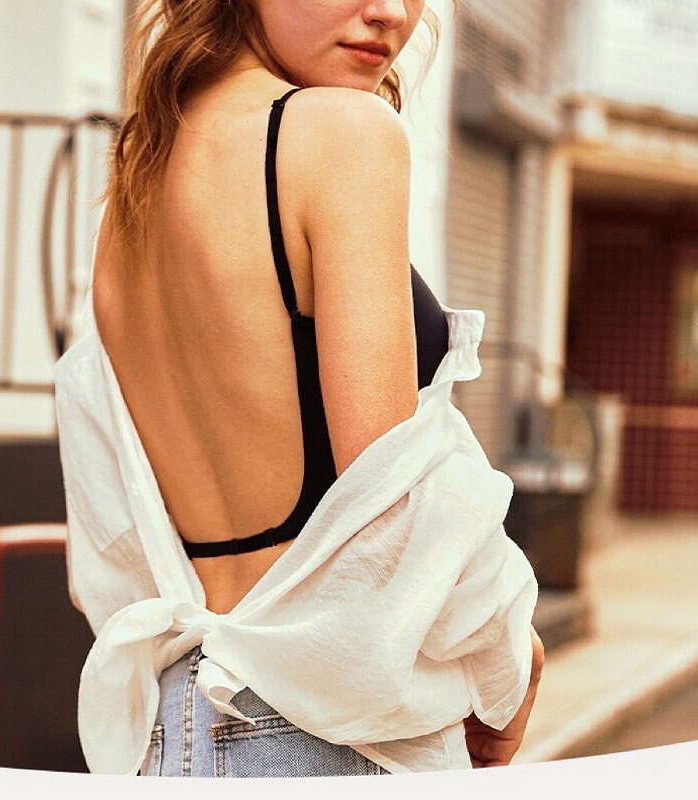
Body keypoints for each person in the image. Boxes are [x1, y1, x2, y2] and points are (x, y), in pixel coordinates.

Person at [53, 0, 544, 778]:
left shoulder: (136, 184)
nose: (389, 13)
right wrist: (510, 653)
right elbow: (392, 498)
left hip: (172, 725)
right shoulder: (343, 134)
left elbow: (107, 524)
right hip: (325, 735)